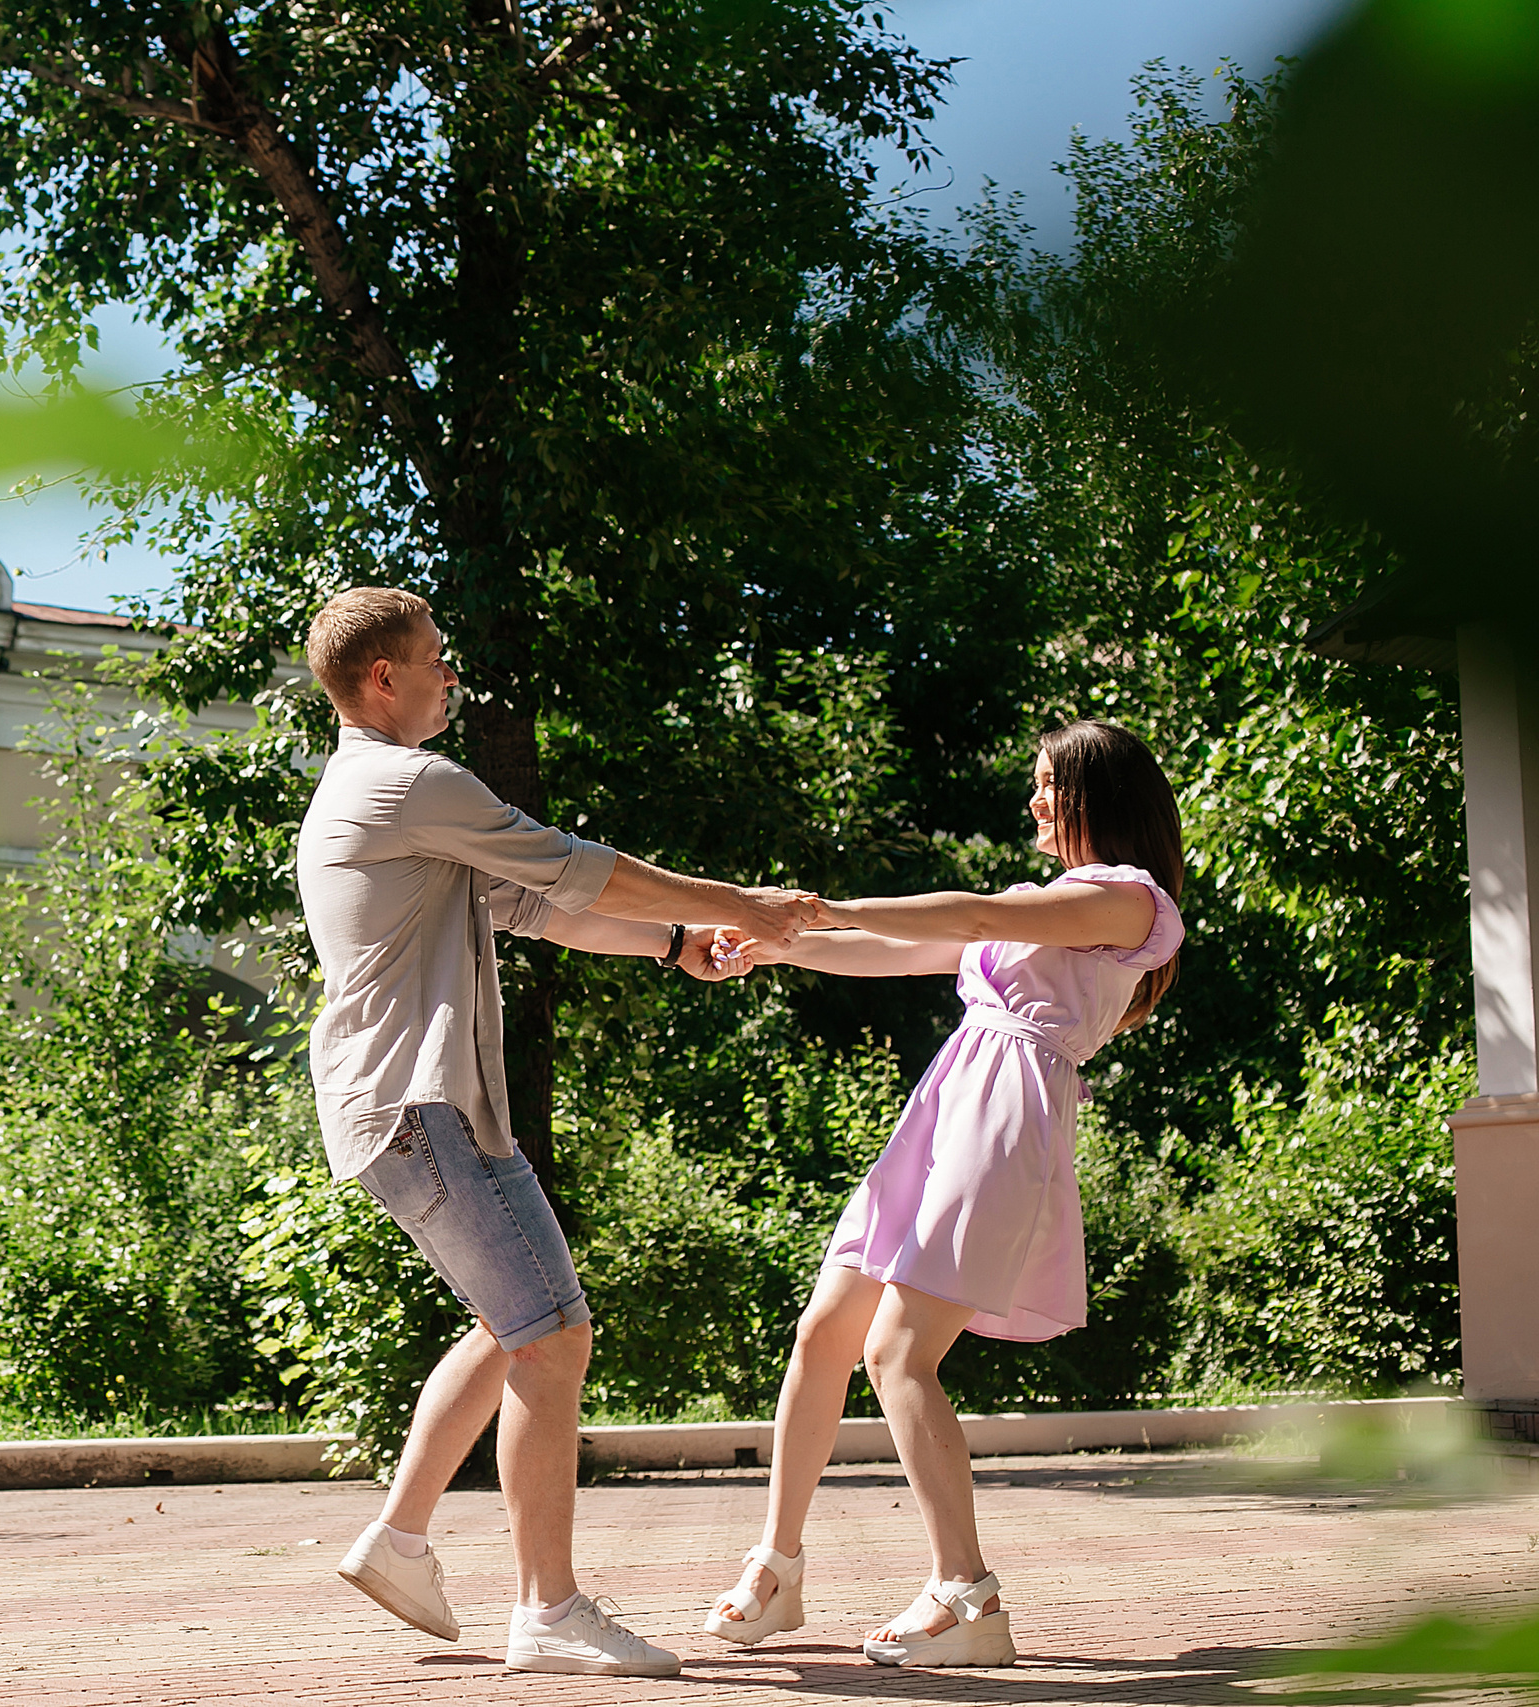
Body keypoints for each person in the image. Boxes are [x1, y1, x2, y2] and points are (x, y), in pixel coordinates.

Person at [296, 587, 819, 1678]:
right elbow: (578, 863)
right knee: (549, 1335)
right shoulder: (407, 782)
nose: (451, 676)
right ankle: (547, 1610)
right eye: (436, 660)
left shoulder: (377, 797)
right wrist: (746, 904)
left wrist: (675, 940)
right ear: (382, 679)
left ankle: (397, 1544)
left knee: (513, 1324)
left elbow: (537, 903)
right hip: (418, 1102)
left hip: (407, 1105)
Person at [700, 718, 1185, 1669]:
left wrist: (821, 905)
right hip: (948, 1106)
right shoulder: (1044, 907)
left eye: (1049, 783)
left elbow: (964, 916)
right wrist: (782, 944)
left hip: (1005, 1116)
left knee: (899, 1353)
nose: (1034, 800)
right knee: (825, 1333)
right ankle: (777, 1566)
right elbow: (894, 949)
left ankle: (968, 1596)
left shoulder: (1128, 901)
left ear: (1099, 794)